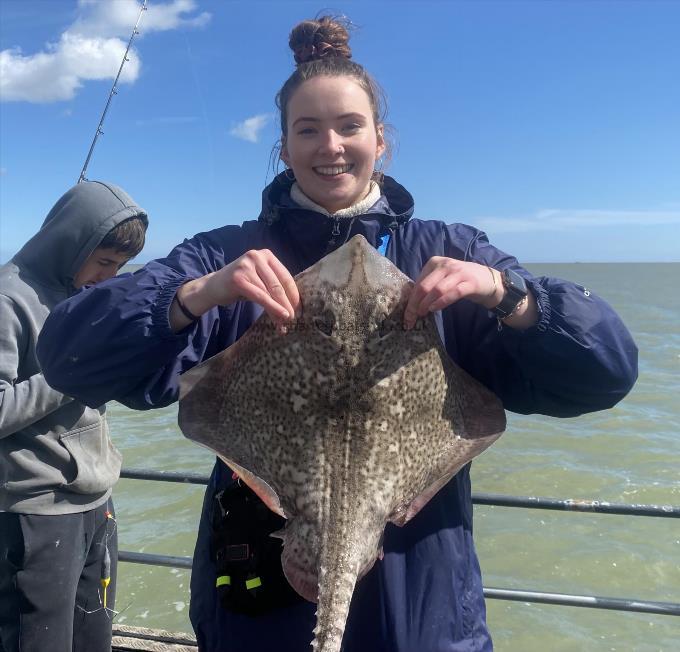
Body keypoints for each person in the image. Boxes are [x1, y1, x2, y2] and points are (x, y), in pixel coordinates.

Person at [36, 17, 637, 652]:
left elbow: (605, 372)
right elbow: (71, 356)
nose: (331, 146)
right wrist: (199, 293)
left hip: (422, 606)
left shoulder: (451, 252)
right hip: (259, 601)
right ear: (284, 146)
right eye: (308, 130)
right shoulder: (229, 256)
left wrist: (509, 295)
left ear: (381, 138)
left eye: (350, 126)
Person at [0, 180, 148, 652]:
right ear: (72, 242)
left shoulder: (82, 293)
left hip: (96, 501)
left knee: (93, 639)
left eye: (120, 267)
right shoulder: (9, 298)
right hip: (35, 511)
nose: (110, 276)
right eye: (104, 262)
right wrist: (74, 370)